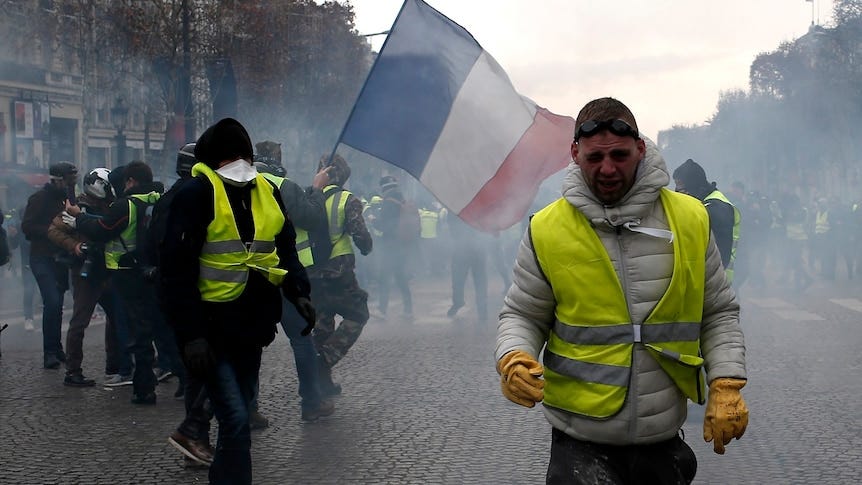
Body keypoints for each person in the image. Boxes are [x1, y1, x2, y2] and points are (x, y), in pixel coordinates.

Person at [495, 97, 748, 484]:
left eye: (619, 155)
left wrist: (727, 382)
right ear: (575, 155)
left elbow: (717, 312)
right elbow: (523, 314)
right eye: (595, 158)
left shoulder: (690, 218)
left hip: (661, 436)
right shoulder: (545, 228)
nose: (608, 168)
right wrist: (513, 355)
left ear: (640, 149)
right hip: (579, 439)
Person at [158, 118, 316, 484]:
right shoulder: (193, 194)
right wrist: (191, 334)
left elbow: (284, 248)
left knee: (237, 418)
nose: (241, 162)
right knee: (236, 417)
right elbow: (176, 271)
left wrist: (299, 293)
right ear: (212, 160)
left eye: (244, 154)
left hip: (252, 325)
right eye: (233, 156)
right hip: (209, 328)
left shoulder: (267, 192)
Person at [69, 161, 175, 405]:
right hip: (154, 270)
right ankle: (180, 377)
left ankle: (143, 388)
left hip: (128, 271)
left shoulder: (127, 204)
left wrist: (78, 218)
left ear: (131, 181)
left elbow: (102, 229)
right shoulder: (160, 198)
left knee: (137, 332)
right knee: (160, 326)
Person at [256, 155, 335, 421]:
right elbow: (312, 218)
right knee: (302, 340)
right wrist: (316, 189)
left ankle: (249, 409)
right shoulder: (283, 185)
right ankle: (311, 402)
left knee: (250, 345)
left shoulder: (231, 187)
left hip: (252, 276)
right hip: (286, 276)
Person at [47, 168, 118, 387]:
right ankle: (73, 371)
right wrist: (75, 245)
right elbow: (53, 230)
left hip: (107, 269)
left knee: (116, 319)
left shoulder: (111, 206)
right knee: (79, 322)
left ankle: (115, 365)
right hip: (85, 272)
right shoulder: (77, 206)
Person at [310, 154, 373, 397]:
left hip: (312, 274)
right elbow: (360, 236)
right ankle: (324, 360)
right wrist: (366, 247)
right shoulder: (347, 200)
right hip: (339, 273)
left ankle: (321, 384)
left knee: (322, 326)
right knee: (358, 313)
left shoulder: (307, 199)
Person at [22, 161, 78, 369]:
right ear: (57, 180)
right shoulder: (38, 199)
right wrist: (51, 231)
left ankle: (57, 347)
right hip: (42, 257)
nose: (71, 184)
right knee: (52, 301)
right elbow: (27, 226)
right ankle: (49, 352)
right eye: (68, 180)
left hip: (60, 258)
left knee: (58, 304)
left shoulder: (67, 199)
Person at [673, 158, 741, 285]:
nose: (678, 193)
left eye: (681, 188)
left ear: (692, 186)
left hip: (718, 285)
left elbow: (720, 255)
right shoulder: (704, 203)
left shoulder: (716, 208)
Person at [374, 175, 413, 317]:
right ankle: (408, 309)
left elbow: (386, 226)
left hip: (390, 245)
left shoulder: (388, 202)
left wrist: (374, 221)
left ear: (384, 188)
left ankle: (382, 310)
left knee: (384, 277)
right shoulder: (402, 199)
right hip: (402, 245)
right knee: (401, 277)